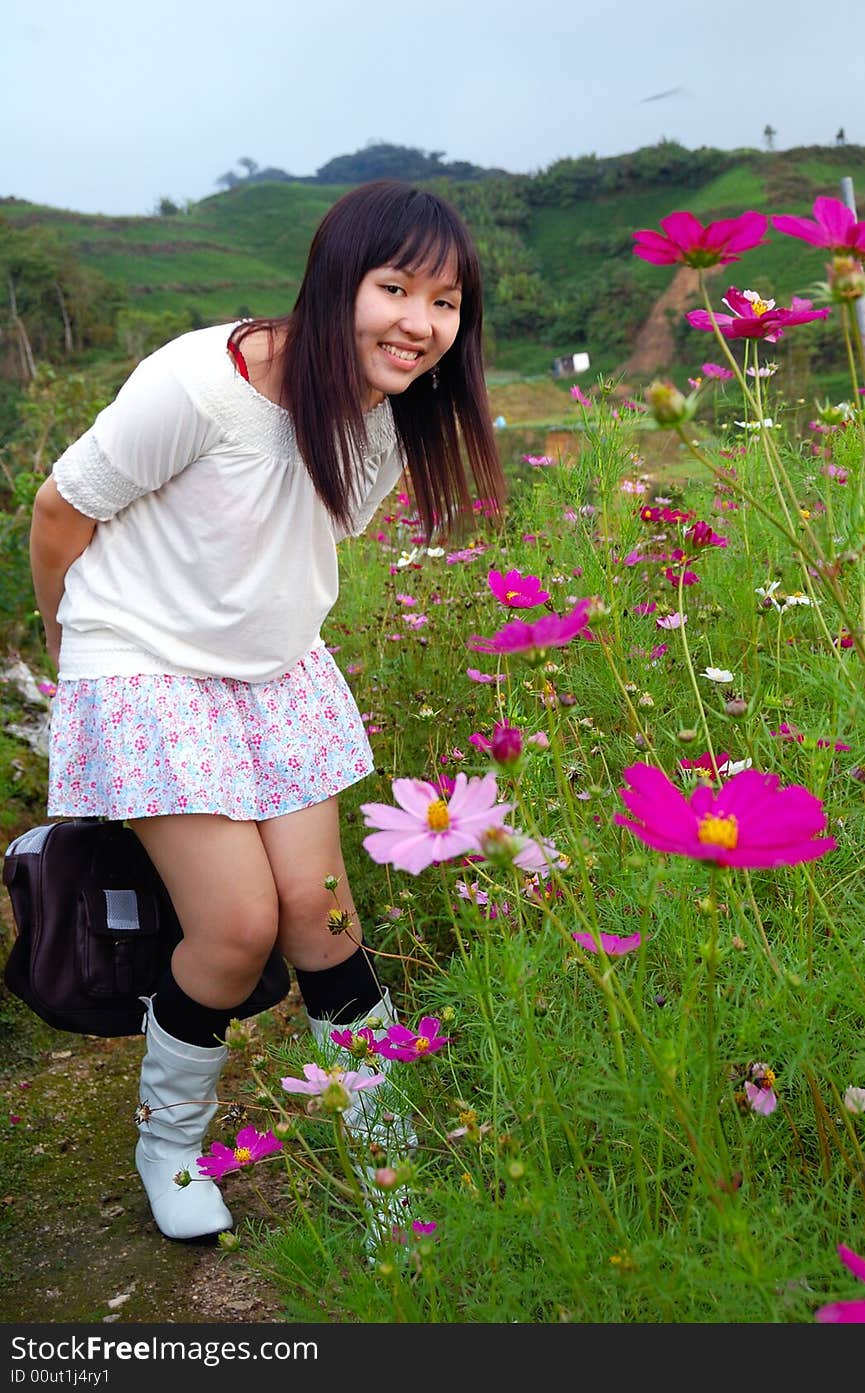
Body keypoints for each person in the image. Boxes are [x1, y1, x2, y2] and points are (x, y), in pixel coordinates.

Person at [28, 179, 506, 1244]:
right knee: (237, 926)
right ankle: (169, 1140)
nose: (421, 325)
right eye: (396, 288)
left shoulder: (393, 414)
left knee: (319, 915)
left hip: (274, 670)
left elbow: (297, 543)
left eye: (446, 302)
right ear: (338, 281)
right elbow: (60, 510)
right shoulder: (201, 385)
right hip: (144, 662)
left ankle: (387, 1149)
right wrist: (76, 653)